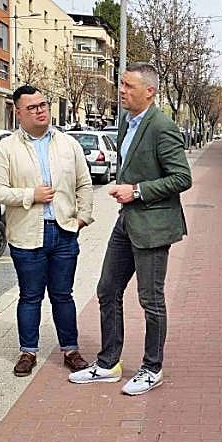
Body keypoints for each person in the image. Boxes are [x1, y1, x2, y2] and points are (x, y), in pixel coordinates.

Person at [69, 63, 192, 396]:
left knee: (150, 299)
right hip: (128, 221)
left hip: (153, 225)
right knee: (107, 289)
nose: (121, 90)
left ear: (149, 92)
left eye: (128, 86)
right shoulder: (126, 122)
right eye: (121, 84)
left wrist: (136, 190)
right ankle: (108, 364)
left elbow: (182, 178)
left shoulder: (162, 127)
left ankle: (152, 368)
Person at [0, 85, 93, 377]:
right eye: (32, 107)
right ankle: (27, 352)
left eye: (43, 104)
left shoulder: (67, 144)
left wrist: (82, 217)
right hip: (27, 233)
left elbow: (84, 184)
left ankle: (70, 349)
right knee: (30, 296)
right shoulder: (6, 148)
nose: (40, 110)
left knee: (63, 295)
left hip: (63, 232)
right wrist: (28, 195)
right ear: (18, 113)